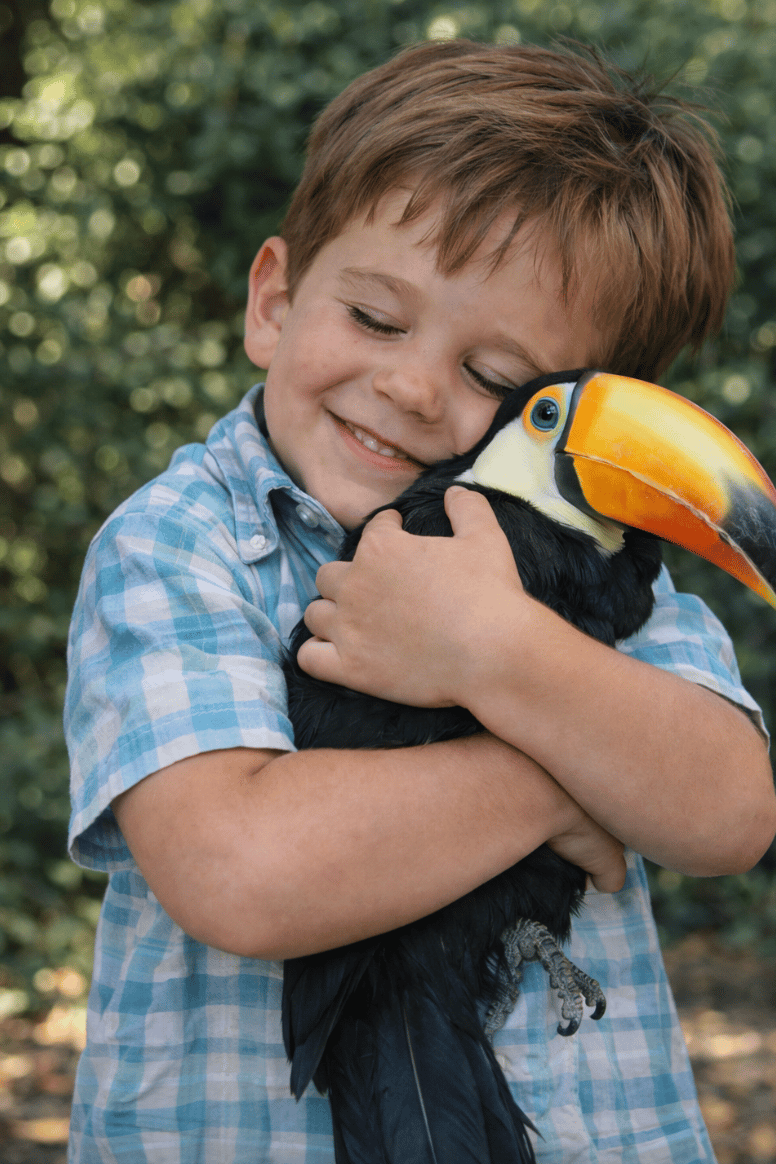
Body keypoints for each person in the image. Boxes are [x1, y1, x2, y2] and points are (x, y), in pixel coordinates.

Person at [65, 38, 776, 1163]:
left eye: (497, 380)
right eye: (375, 319)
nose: (409, 387)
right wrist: (558, 779)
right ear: (274, 302)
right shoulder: (186, 543)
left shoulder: (608, 573)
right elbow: (239, 872)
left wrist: (489, 645)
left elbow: (729, 812)